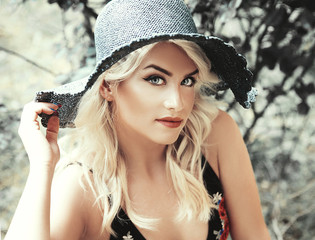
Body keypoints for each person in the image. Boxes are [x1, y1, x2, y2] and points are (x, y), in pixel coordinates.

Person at [5, 0, 271, 239]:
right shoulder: (83, 187)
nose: (177, 103)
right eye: (155, 79)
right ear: (108, 86)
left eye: (187, 80)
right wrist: (42, 166)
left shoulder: (213, 134)